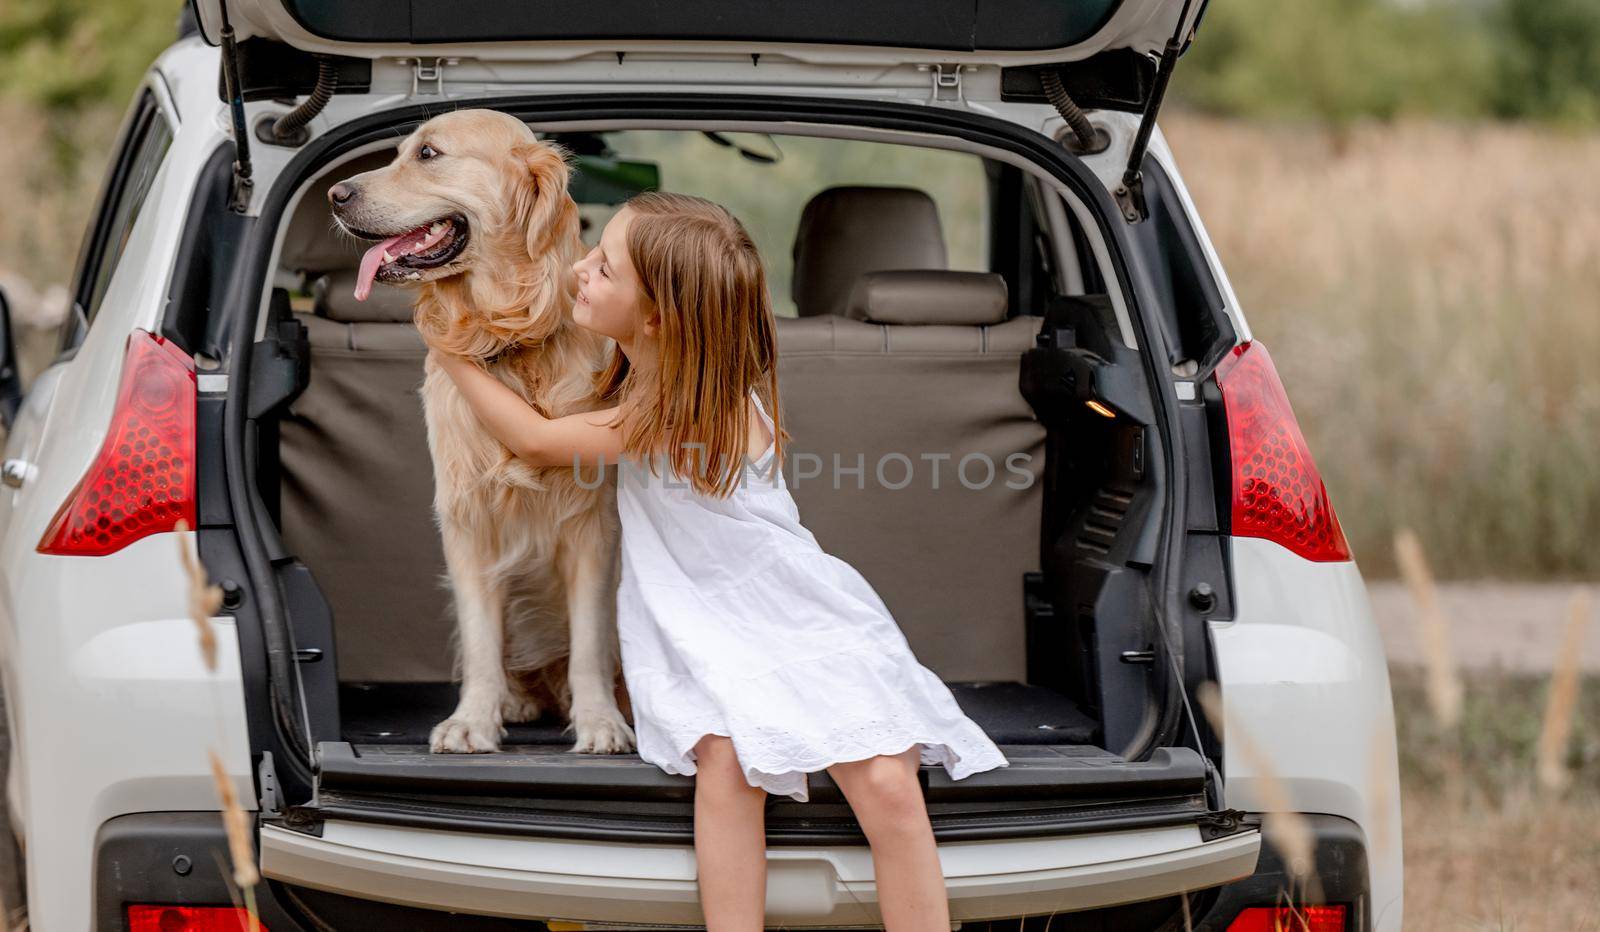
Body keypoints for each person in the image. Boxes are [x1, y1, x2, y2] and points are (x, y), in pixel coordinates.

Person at [425, 190, 1008, 930]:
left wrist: (452, 354)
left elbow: (537, 442)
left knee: (888, 780)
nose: (579, 270)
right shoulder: (653, 378)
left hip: (795, 614)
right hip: (707, 621)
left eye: (604, 269)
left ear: (659, 317)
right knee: (726, 763)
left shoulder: (688, 407)